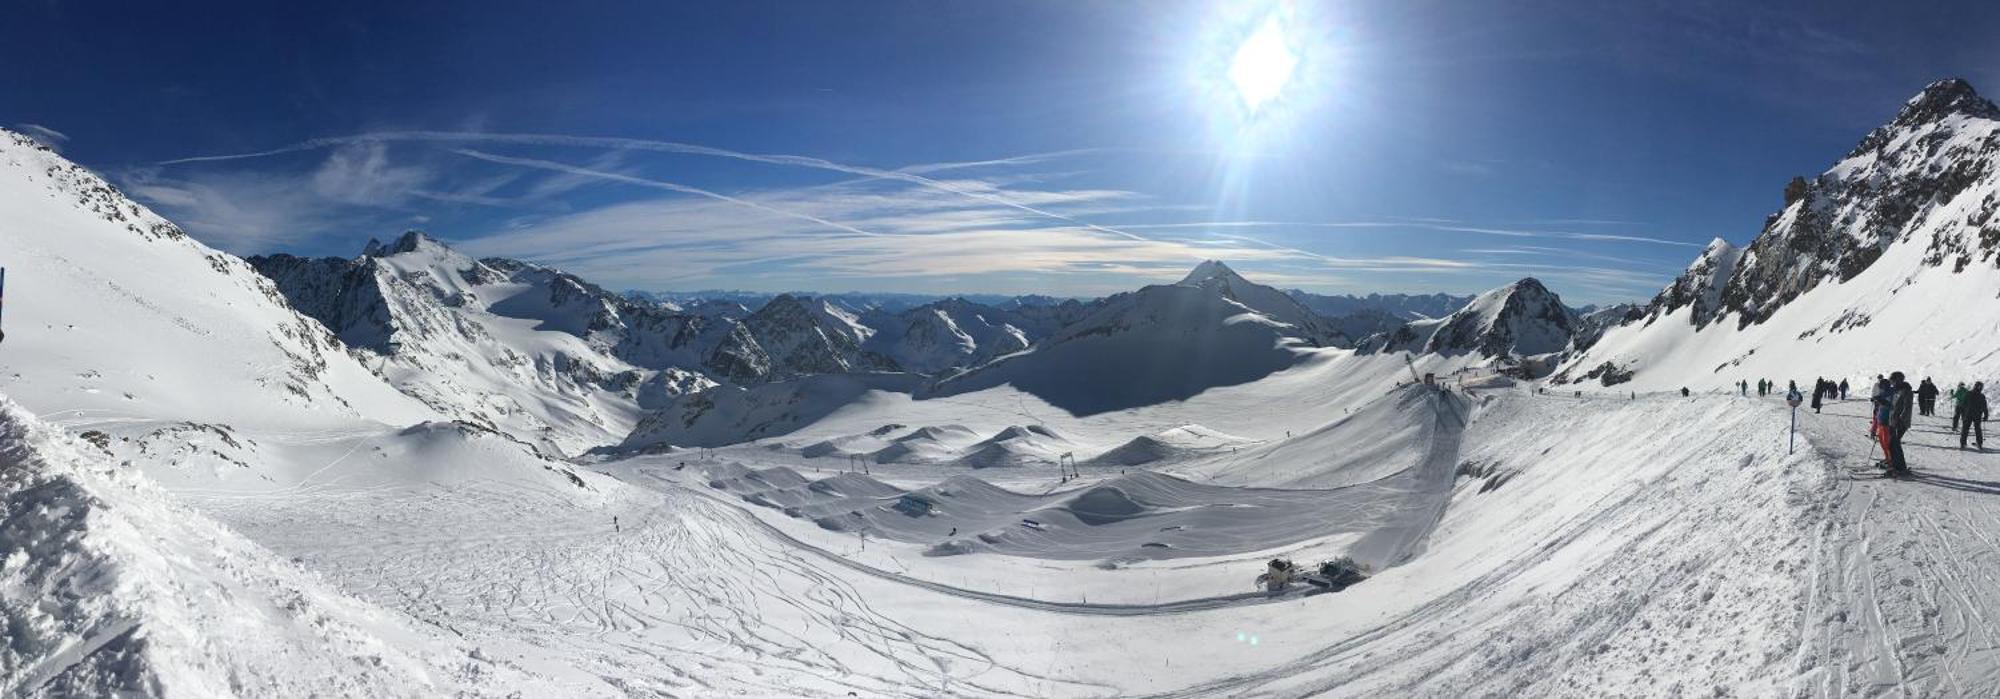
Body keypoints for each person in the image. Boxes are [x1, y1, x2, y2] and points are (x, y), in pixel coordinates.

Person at [1887, 372, 1915, 475]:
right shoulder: (1897, 391)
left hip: (1900, 422)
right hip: (1893, 421)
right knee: (1893, 444)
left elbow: (1907, 408)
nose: (1892, 383)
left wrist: (1900, 420)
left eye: (1893, 381)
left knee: (1894, 443)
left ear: (1898, 380)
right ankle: (1896, 465)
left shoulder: (1906, 391)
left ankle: (1900, 467)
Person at [1963, 382, 1988, 450]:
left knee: (1965, 428)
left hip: (1968, 414)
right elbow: (1984, 407)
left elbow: (1964, 404)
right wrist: (1986, 415)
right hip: (1977, 415)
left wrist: (1963, 413)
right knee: (1978, 429)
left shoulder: (1968, 393)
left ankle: (1963, 443)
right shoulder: (1982, 396)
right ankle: (1979, 443)